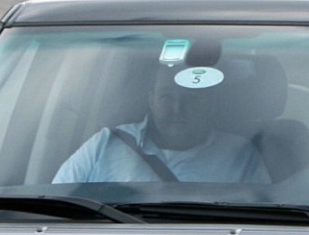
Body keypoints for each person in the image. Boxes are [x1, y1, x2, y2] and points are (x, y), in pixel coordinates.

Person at [53, 58, 266, 185]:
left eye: (191, 98)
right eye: (167, 97)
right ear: (151, 100)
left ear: (211, 103)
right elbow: (56, 204)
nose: (177, 109)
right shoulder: (105, 144)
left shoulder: (240, 156)